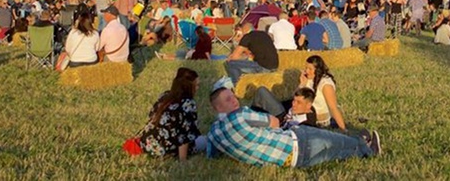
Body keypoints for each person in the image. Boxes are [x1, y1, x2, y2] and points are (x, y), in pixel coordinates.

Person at [208, 77, 380, 167]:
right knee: (336, 141)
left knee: (334, 154)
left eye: (232, 96)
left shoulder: (213, 134)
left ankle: (363, 148)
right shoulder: (240, 115)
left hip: (291, 162)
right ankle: (365, 144)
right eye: (228, 99)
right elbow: (274, 122)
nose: (234, 100)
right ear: (218, 107)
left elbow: (212, 155)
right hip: (295, 140)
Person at [139, 68, 203, 161]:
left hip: (148, 144)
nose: (198, 88)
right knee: (206, 141)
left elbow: (151, 117)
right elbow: (185, 135)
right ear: (188, 87)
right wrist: (183, 160)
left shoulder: (165, 96)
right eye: (196, 85)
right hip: (165, 149)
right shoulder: (188, 104)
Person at [298, 55, 345, 129]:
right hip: (306, 114)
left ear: (317, 70)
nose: (306, 71)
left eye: (310, 69)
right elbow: (298, 99)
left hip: (319, 121)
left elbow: (333, 107)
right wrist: (302, 85)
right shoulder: (308, 79)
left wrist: (343, 128)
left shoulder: (325, 84)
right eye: (306, 68)